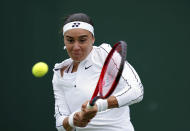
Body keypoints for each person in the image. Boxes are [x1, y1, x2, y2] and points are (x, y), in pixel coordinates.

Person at [52, 13, 144, 131]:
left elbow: (137, 91)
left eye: (82, 40)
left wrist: (99, 105)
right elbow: (60, 124)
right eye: (70, 40)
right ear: (64, 40)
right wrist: (73, 120)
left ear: (93, 39)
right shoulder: (60, 72)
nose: (76, 47)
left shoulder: (104, 54)